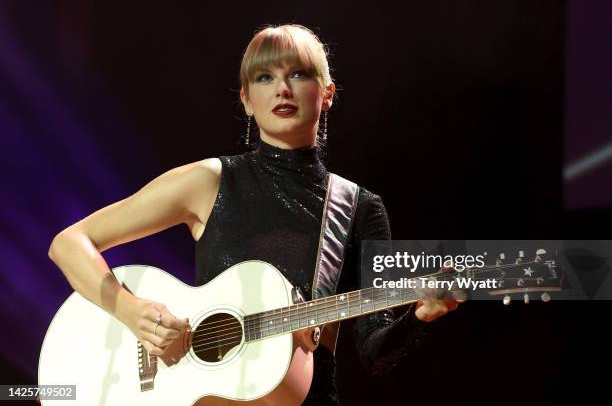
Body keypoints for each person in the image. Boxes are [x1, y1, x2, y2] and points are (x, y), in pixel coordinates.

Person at [48, 24, 461, 405]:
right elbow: (68, 243)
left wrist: (420, 315)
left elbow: (376, 352)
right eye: (264, 78)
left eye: (298, 74)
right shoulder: (208, 181)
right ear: (246, 99)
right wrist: (131, 311)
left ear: (328, 93)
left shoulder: (358, 207)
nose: (281, 88)